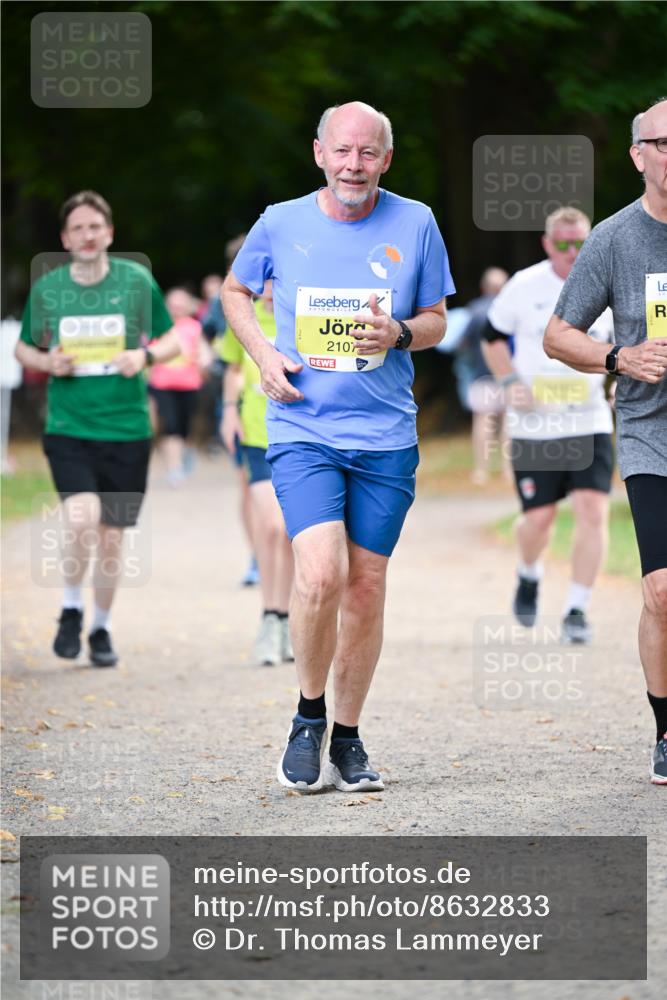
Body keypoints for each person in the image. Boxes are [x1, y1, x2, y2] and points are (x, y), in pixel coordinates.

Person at [222, 101, 454, 793]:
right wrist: (263, 354)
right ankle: (306, 715)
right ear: (319, 153)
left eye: (369, 153)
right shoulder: (279, 220)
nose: (354, 165)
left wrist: (401, 335)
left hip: (384, 435)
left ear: (386, 159)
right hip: (303, 428)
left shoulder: (415, 222)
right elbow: (237, 292)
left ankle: (348, 739)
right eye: (343, 152)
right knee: (319, 573)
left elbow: (439, 318)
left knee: (366, 584)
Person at [544, 97, 667, 784]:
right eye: (663, 141)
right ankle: (665, 727)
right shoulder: (615, 239)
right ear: (636, 154)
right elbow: (556, 335)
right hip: (653, 429)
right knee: (660, 592)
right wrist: (620, 358)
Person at [15, 190, 179, 667]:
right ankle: (70, 606)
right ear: (65, 239)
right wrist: (47, 360)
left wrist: (142, 355)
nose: (87, 235)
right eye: (78, 229)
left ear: (109, 232)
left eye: (95, 227)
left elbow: (172, 339)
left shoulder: (135, 281)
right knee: (81, 516)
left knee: (111, 537)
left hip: (127, 427)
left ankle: (101, 627)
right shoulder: (49, 288)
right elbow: (23, 348)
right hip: (70, 424)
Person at [483, 207, 614, 644]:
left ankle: (577, 608)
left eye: (580, 242)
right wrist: (508, 381)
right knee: (537, 521)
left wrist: (619, 381)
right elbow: (491, 337)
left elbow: (625, 343)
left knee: (593, 511)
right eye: (563, 243)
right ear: (547, 244)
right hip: (536, 424)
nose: (572, 251)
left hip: (588, 418)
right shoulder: (524, 286)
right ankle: (529, 572)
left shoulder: (607, 283)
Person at [221, 280, 294, 666]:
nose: (268, 288)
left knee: (294, 535)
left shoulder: (302, 315)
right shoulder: (244, 318)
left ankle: (289, 618)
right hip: (257, 434)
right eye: (263, 280)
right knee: (272, 527)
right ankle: (270, 617)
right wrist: (229, 411)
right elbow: (233, 368)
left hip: (299, 436)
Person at [148, 287, 207, 486]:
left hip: (189, 384)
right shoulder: (158, 326)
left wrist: (204, 361)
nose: (176, 308)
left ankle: (185, 452)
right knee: (170, 425)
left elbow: (202, 351)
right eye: (173, 304)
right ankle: (174, 469)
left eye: (180, 304)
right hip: (162, 384)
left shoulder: (194, 327)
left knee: (185, 427)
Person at [456, 267, 509, 485]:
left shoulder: (475, 311)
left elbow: (462, 342)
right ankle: (509, 471)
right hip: (508, 375)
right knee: (509, 423)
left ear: (484, 287)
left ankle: (481, 472)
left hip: (481, 375)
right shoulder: (510, 309)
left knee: (483, 422)